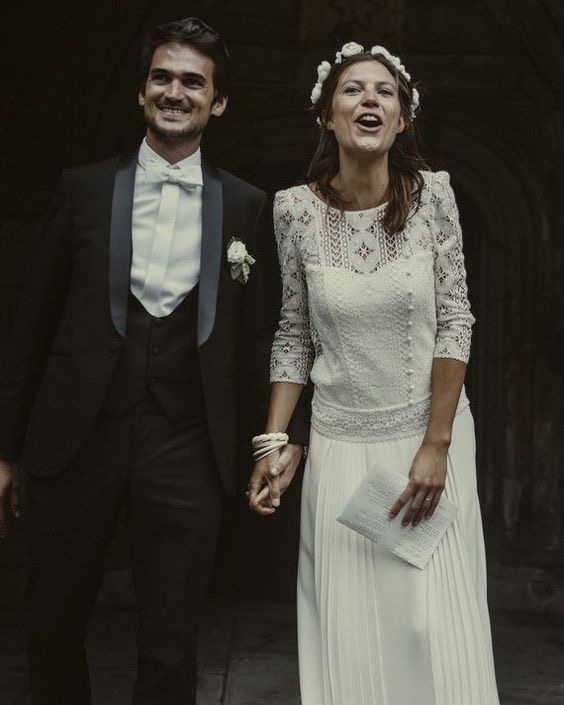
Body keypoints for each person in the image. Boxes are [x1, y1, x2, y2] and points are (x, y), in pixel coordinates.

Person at [0, 17, 307, 705]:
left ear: (217, 103)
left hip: (187, 446)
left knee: (171, 645)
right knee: (51, 626)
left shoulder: (248, 207)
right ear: (141, 92)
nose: (175, 92)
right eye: (162, 77)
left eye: (193, 82)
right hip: (74, 441)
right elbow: (32, 325)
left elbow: (264, 336)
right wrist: (5, 450)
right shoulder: (81, 188)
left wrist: (276, 439)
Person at [249, 42, 500, 705]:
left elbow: (456, 320)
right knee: (352, 630)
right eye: (353, 89)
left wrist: (436, 444)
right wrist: (273, 442)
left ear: (402, 118)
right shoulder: (293, 211)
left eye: (385, 91)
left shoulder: (434, 196)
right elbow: (294, 332)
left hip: (429, 440)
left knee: (429, 627)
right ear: (327, 116)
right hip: (340, 447)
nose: (370, 99)